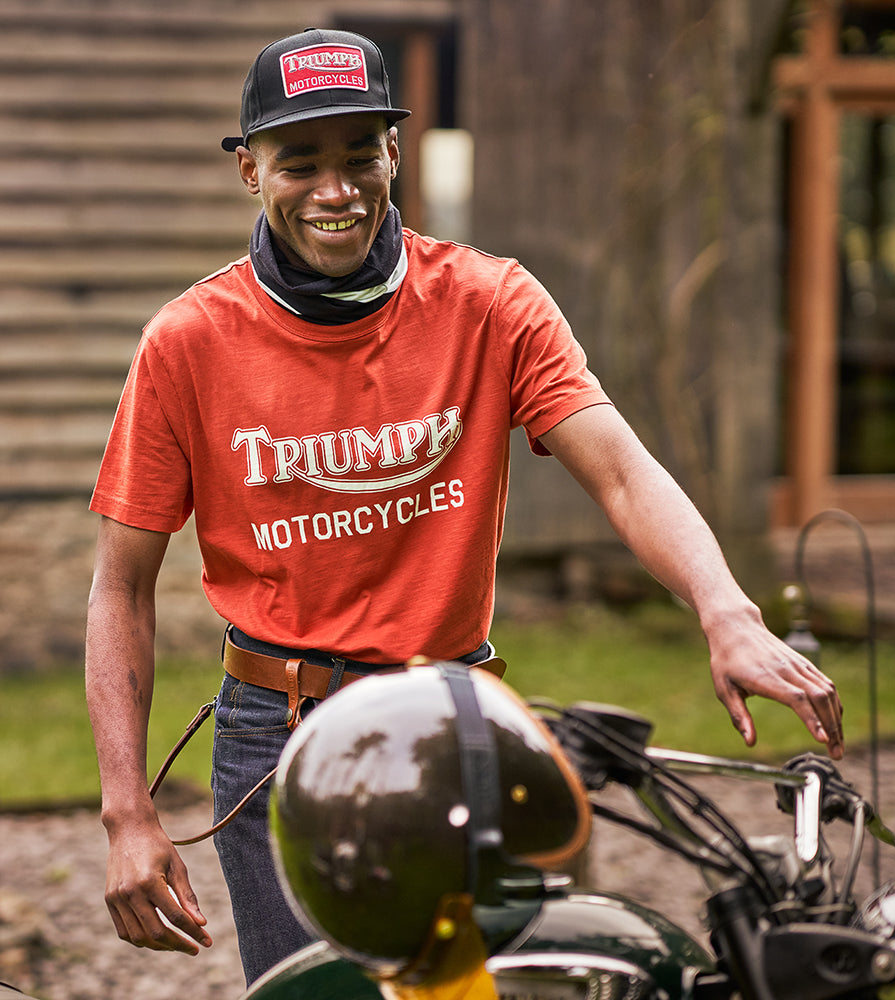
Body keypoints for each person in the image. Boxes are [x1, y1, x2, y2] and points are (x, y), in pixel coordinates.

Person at [85, 27, 844, 987]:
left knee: (510, 985)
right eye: (301, 161)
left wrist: (726, 610)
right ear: (249, 170)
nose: (336, 188)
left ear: (394, 153)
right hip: (276, 732)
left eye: (361, 156)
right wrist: (127, 813)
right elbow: (121, 589)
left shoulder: (489, 303)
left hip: (459, 718)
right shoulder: (187, 344)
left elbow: (619, 470)